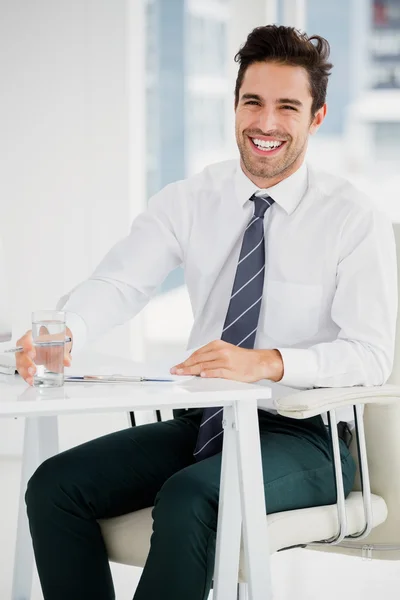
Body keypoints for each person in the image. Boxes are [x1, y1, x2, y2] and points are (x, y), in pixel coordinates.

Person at [16, 25, 397, 600]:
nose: (266, 124)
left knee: (193, 496)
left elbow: (371, 356)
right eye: (253, 102)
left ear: (316, 117)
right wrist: (65, 331)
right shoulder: (192, 199)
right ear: (235, 106)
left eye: (287, 107)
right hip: (207, 422)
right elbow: (120, 282)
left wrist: (266, 363)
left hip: (309, 438)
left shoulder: (351, 218)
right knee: (54, 485)